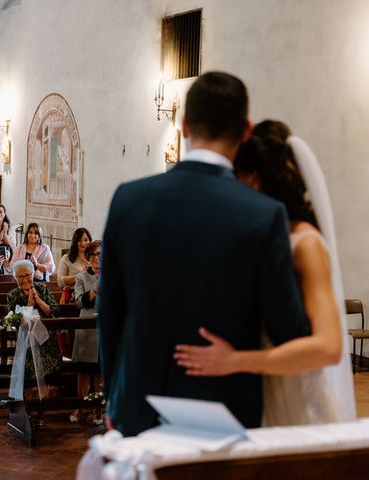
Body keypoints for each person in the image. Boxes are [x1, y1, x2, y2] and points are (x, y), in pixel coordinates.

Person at [98, 71, 309, 436]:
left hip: (137, 403)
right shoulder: (263, 215)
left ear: (183, 127)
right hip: (224, 410)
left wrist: (113, 395)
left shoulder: (128, 199)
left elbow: (110, 311)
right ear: (246, 131)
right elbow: (288, 331)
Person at [173, 120, 356, 425]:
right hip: (247, 393)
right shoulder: (256, 237)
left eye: (235, 175)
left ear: (253, 178)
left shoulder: (305, 243)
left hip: (292, 397)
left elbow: (328, 347)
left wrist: (235, 361)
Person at [8, 260, 62, 396]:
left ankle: (43, 406)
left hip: (46, 340)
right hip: (25, 342)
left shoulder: (42, 289)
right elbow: (14, 321)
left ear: (33, 274)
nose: (25, 279)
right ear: (15, 277)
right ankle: (28, 406)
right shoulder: (13, 295)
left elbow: (55, 312)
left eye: (27, 275)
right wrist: (29, 305)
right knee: (27, 376)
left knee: (47, 374)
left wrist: (38, 301)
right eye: (20, 276)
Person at [70, 240, 102, 424]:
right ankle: (79, 406)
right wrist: (95, 291)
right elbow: (79, 302)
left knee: (99, 374)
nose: (97, 258)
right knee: (84, 373)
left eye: (100, 255)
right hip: (87, 330)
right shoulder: (81, 277)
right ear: (88, 258)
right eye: (93, 255)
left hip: (103, 329)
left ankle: (97, 409)